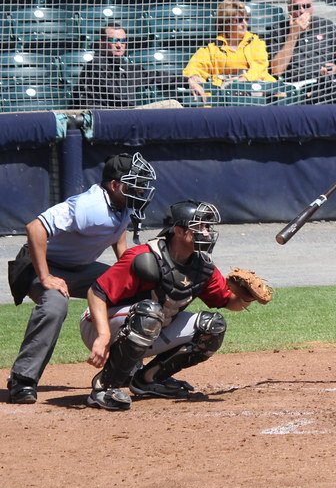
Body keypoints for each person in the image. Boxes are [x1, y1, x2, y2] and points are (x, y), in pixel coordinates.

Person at [5, 153, 156, 405]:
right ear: (115, 185)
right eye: (135, 182)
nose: (141, 188)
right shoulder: (89, 205)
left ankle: (125, 367)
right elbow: (35, 228)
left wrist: (124, 272)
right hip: (38, 265)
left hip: (79, 268)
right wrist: (46, 276)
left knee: (133, 290)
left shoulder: (123, 204)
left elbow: (116, 233)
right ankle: (22, 379)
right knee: (55, 304)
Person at [79, 200, 256, 410]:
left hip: (148, 326)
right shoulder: (144, 257)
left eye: (208, 227)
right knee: (151, 314)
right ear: (179, 231)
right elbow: (96, 293)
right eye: (200, 226)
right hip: (100, 325)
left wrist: (246, 296)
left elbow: (229, 302)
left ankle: (148, 380)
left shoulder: (202, 267)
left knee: (213, 327)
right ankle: (104, 387)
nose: (207, 233)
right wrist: (103, 336)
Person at [71, 21, 178, 109]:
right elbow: (117, 96)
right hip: (106, 117)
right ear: (101, 43)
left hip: (126, 115)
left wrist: (187, 80)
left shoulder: (126, 67)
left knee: (172, 105)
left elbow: (155, 75)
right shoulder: (95, 66)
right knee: (172, 105)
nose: (119, 45)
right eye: (113, 40)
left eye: (123, 41)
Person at [184, 0, 276, 101]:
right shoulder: (213, 47)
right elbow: (195, 65)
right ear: (227, 23)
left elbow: (259, 67)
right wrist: (194, 78)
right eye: (239, 20)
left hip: (255, 87)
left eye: (247, 19)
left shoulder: (255, 42)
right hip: (225, 92)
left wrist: (242, 80)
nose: (244, 23)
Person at [268, 0, 336, 85]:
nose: (302, 11)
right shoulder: (279, 31)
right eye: (296, 7)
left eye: (306, 6)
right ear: (289, 9)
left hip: (326, 83)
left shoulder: (326, 26)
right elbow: (276, 70)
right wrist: (293, 33)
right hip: (296, 84)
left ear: (312, 8)